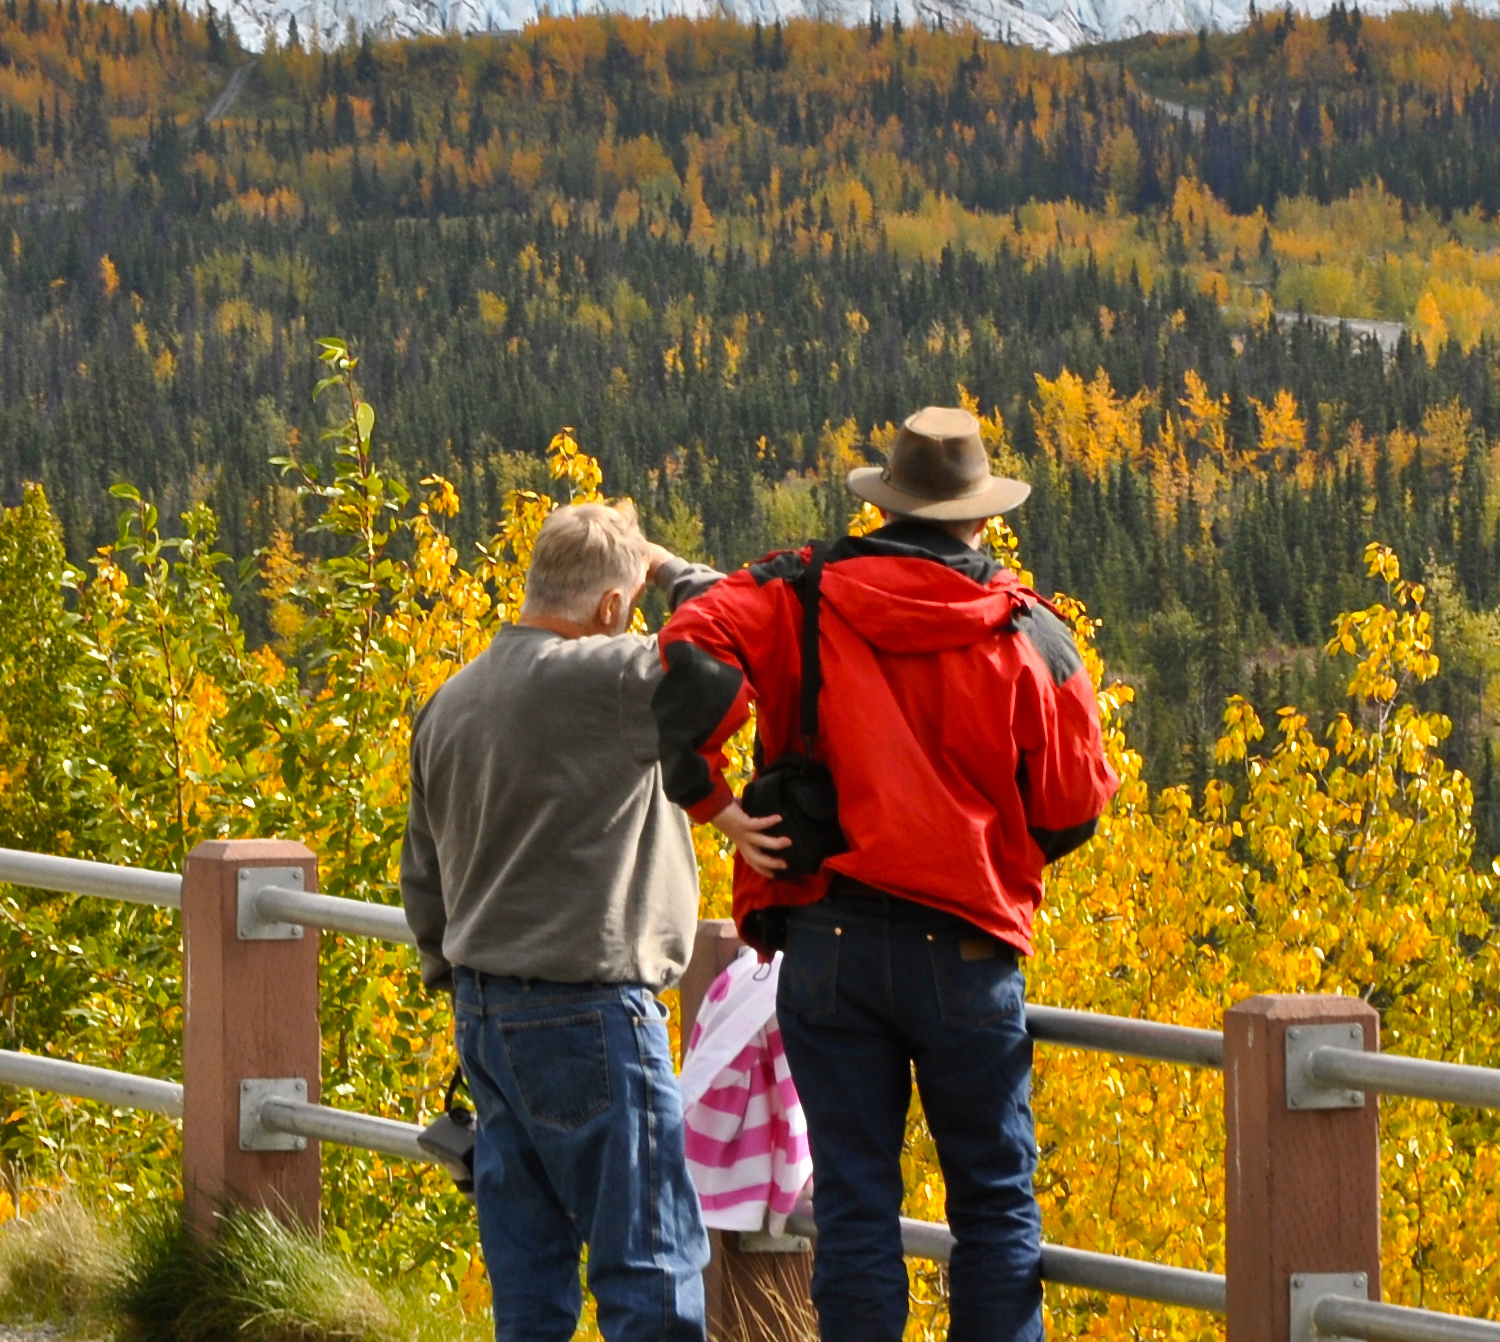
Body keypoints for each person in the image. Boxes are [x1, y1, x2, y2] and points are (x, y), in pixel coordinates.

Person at [656, 408, 1116, 1342]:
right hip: (968, 950)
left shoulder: (799, 593)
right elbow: (1073, 810)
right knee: (993, 1205)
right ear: (980, 519)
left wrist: (712, 802)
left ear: (888, 501)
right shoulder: (1034, 634)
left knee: (858, 1207)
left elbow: (695, 642)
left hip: (829, 941)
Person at [400, 501, 749, 1342]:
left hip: (485, 1013)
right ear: (608, 609)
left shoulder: (449, 701)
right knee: (650, 1271)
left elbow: (423, 874)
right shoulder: (608, 677)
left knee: (529, 1280)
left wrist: (458, 982)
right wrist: (669, 570)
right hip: (592, 1014)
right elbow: (733, 653)